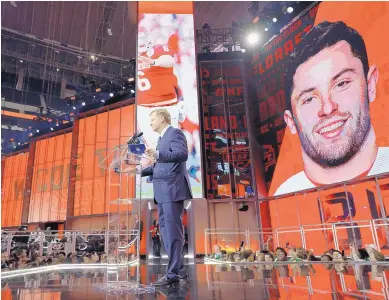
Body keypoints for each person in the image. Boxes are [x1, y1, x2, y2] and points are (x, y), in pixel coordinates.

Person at [275, 21, 389, 196]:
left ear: (371, 85)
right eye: (309, 99)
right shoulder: (284, 198)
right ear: (290, 122)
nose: (327, 108)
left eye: (341, 84)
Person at [141, 108, 192, 286]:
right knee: (166, 233)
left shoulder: (174, 133)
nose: (150, 123)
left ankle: (172, 274)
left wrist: (158, 154)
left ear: (162, 118)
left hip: (172, 189)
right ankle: (179, 270)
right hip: (163, 192)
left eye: (153, 119)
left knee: (173, 232)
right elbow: (159, 166)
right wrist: (139, 170)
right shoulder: (162, 138)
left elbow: (182, 155)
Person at [137, 27, 185, 149]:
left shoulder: (158, 50)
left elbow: (170, 61)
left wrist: (153, 62)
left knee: (171, 144)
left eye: (142, 39)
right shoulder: (134, 59)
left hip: (166, 104)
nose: (140, 43)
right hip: (144, 108)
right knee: (153, 148)